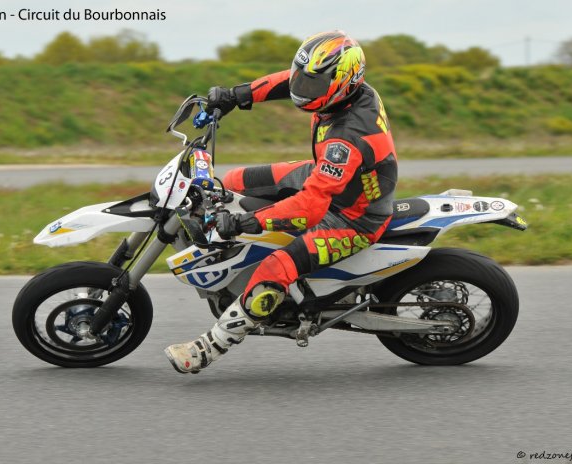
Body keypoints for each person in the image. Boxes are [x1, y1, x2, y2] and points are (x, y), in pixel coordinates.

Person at [164, 30, 398, 374]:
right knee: (232, 181)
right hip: (328, 178)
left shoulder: (347, 138)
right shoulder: (342, 93)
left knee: (276, 266)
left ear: (342, 83)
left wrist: (244, 223)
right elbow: (285, 82)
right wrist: (234, 96)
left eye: (312, 84)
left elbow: (310, 208)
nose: (302, 90)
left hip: (352, 217)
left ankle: (211, 346)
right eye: (303, 78)